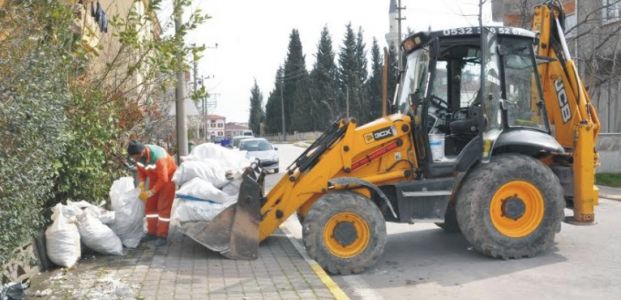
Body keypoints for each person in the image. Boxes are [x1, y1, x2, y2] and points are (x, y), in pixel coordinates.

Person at [127, 140, 177, 246]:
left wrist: (151, 192)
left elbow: (163, 179)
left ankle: (162, 235)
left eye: (136, 157)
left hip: (168, 178)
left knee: (163, 207)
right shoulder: (138, 157)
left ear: (142, 152)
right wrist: (141, 183)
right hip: (155, 178)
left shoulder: (159, 157)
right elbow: (141, 171)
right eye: (133, 158)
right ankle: (151, 233)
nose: (135, 160)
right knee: (150, 206)